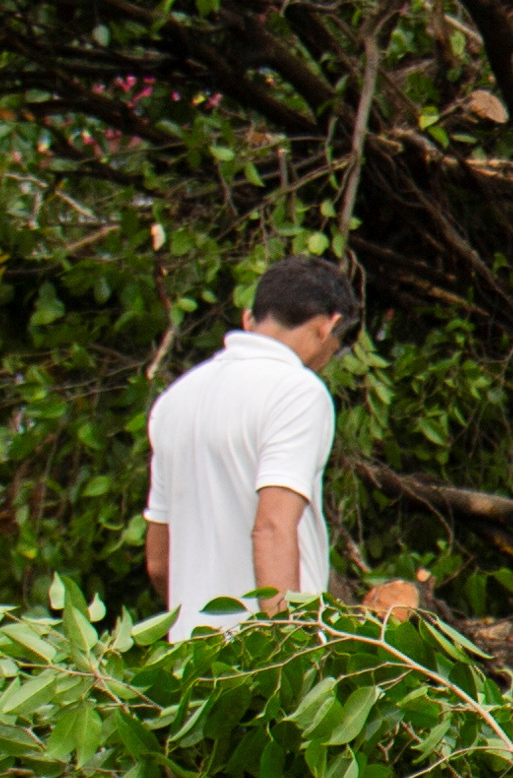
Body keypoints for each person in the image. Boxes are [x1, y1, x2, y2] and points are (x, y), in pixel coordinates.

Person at [142, 257, 358, 635]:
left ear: (249, 320)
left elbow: (159, 562)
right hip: (262, 663)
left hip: (189, 660)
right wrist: (289, 646)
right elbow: (272, 528)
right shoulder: (297, 391)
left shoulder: (175, 400)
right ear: (328, 326)